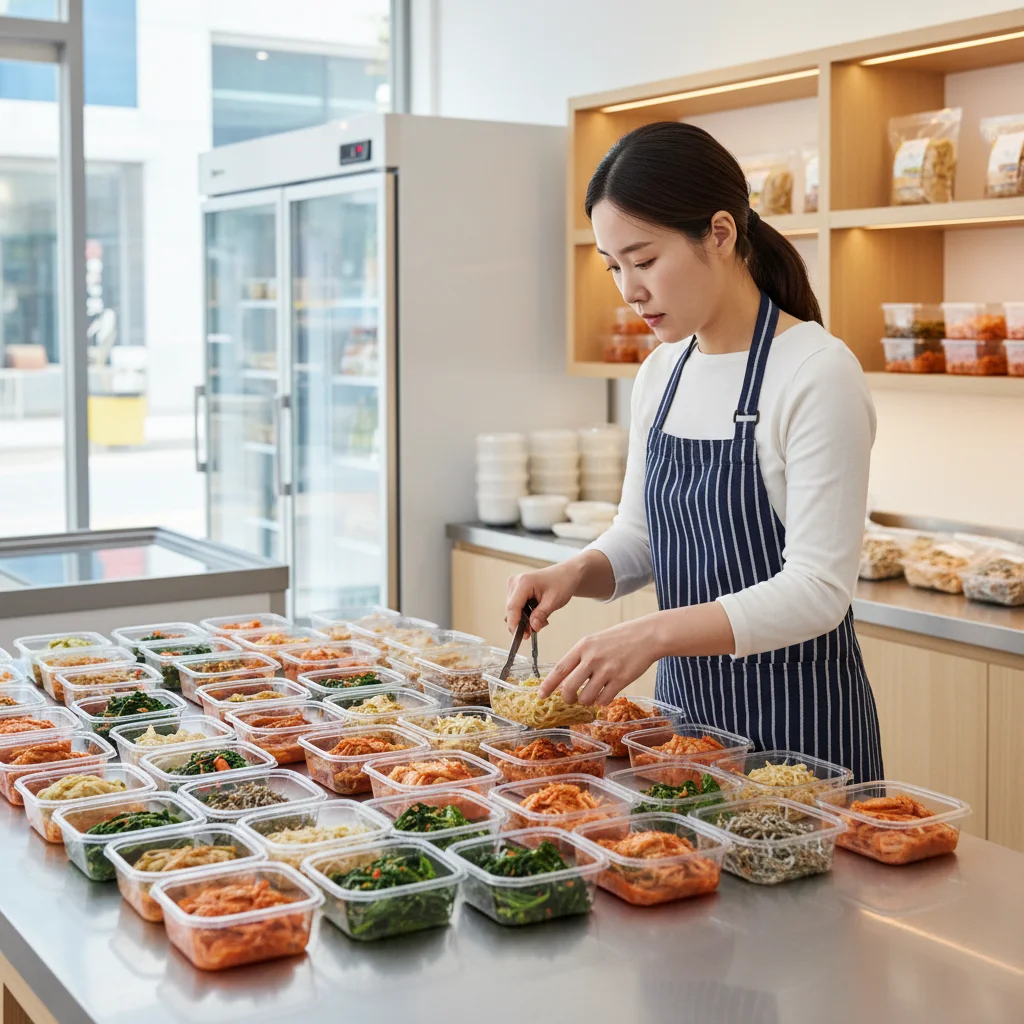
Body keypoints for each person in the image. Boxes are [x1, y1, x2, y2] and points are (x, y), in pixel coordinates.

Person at [506, 121, 883, 782]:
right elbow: (643, 536)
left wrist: (651, 635)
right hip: (682, 730)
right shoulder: (661, 371)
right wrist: (575, 573)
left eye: (644, 260)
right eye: (614, 266)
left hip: (802, 733)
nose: (629, 289)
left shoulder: (817, 371)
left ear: (720, 232)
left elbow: (819, 590)